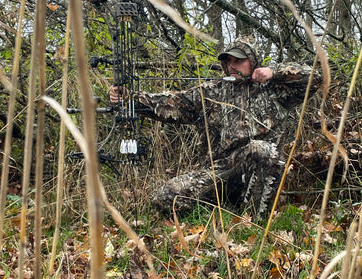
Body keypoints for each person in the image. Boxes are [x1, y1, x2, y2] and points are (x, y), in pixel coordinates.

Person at [110, 38, 321, 219]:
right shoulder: (212, 92)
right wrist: (129, 99)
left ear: (253, 61)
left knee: (261, 150)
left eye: (239, 61)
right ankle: (223, 208)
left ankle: (257, 223)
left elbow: (314, 77)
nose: (232, 66)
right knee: (166, 197)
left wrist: (273, 72)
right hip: (219, 172)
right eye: (229, 62)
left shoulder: (275, 91)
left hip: (257, 172)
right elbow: (171, 103)